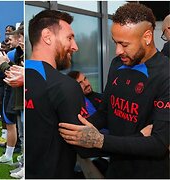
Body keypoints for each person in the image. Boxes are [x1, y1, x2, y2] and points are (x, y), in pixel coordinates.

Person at [58, 3, 169, 178]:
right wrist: (77, 130)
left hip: (149, 172)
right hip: (116, 169)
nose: (118, 51)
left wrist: (101, 141)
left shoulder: (166, 75)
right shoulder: (118, 64)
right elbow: (105, 112)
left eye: (124, 44)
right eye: (115, 42)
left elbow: (159, 144)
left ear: (147, 37)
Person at [25, 10, 92, 178]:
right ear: (47, 36)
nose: (75, 46)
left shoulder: (20, 75)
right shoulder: (65, 86)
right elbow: (83, 146)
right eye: (69, 38)